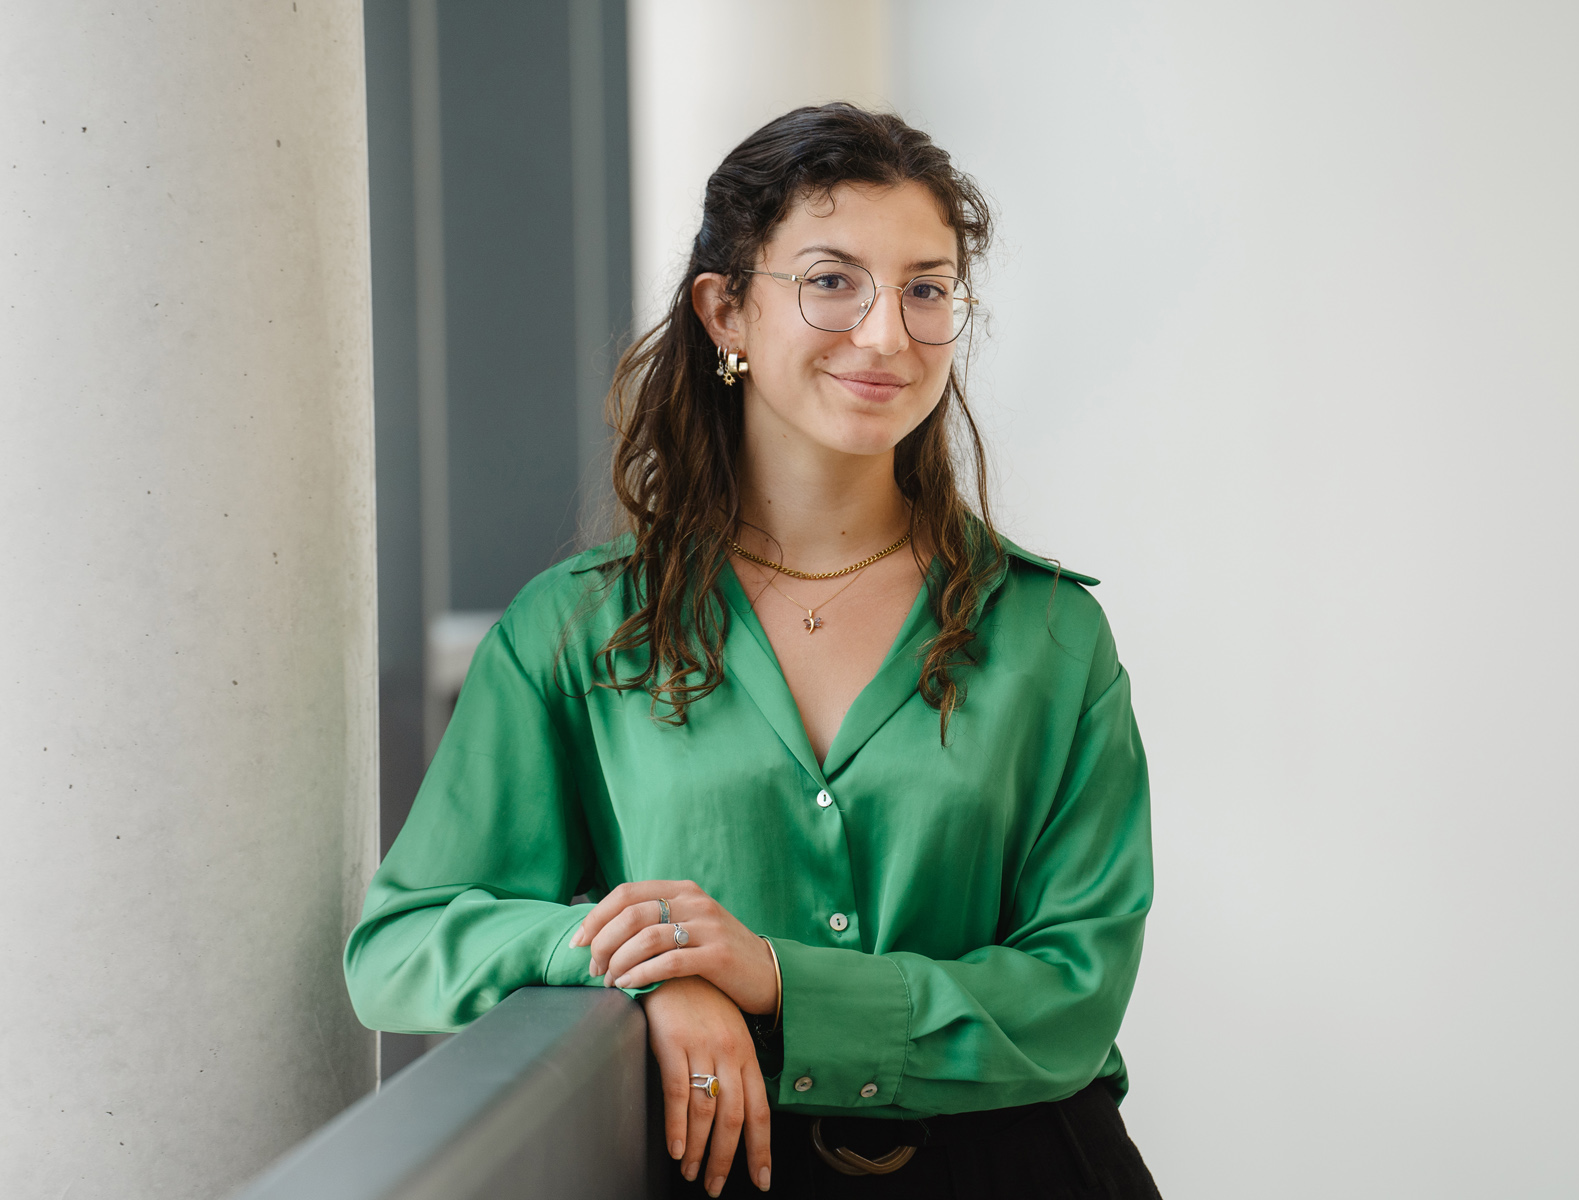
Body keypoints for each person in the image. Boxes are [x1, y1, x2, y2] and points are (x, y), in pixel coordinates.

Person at [344, 103, 1159, 1199]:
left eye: (925, 289)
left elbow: (1074, 991)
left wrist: (773, 978)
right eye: (832, 281)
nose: (885, 334)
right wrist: (645, 965)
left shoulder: (1051, 632)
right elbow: (401, 948)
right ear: (726, 310)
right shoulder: (574, 632)